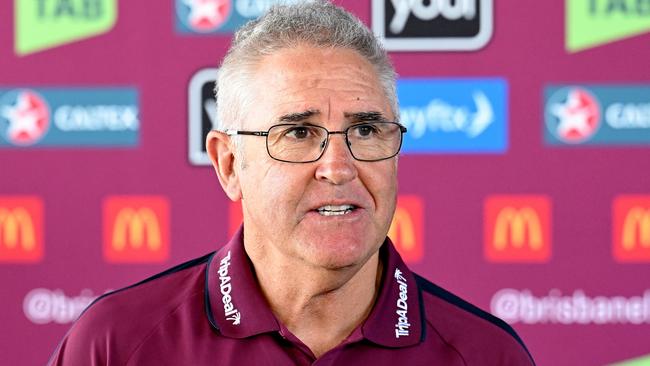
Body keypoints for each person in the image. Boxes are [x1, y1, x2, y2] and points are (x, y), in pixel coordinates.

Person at [49, 1, 535, 365]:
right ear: (229, 164)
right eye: (299, 134)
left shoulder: (486, 355)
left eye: (365, 130)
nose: (339, 167)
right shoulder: (116, 344)